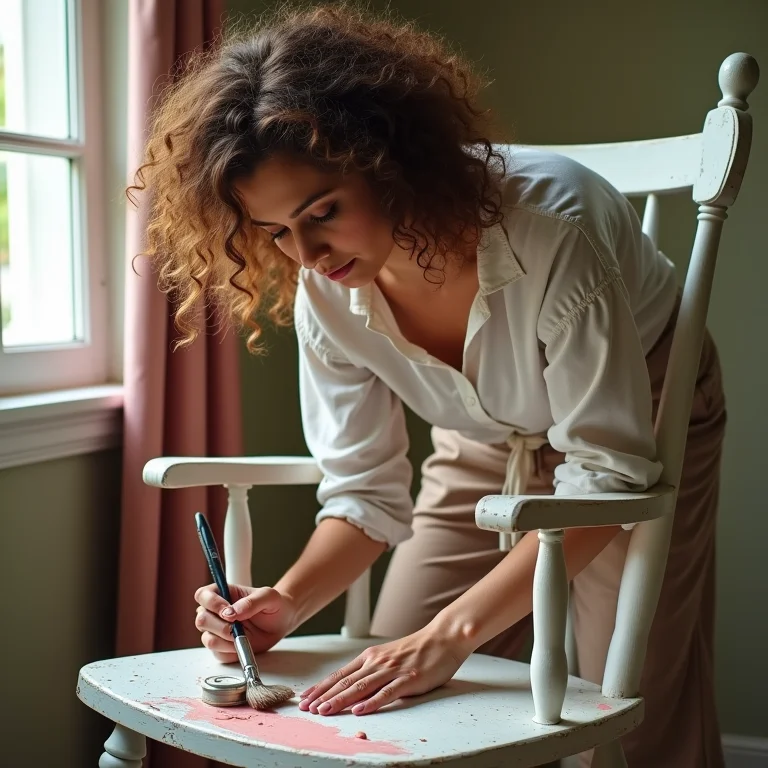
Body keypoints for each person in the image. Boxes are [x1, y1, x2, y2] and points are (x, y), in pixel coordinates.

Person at [132, 5, 726, 766]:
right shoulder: (326, 293)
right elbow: (366, 495)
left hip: (638, 420)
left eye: (323, 212)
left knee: (628, 705)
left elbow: (607, 477)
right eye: (277, 231)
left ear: (387, 159)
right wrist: (285, 602)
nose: (307, 252)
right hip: (484, 436)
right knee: (385, 685)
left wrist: (450, 635)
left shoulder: (555, 230)